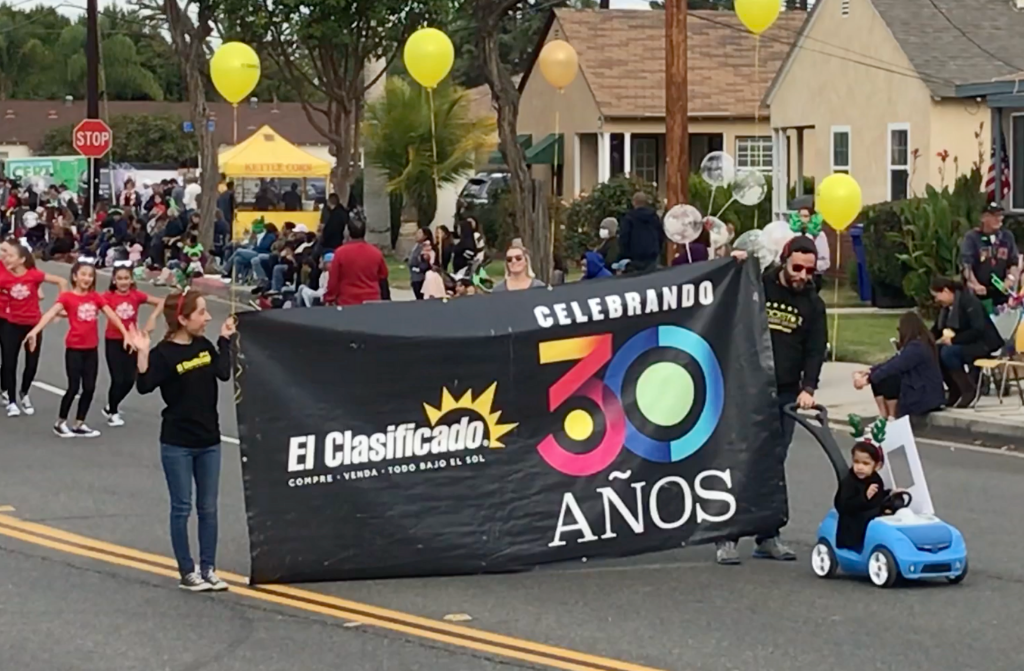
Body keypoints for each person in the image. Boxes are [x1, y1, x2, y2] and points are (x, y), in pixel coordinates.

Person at [717, 236, 827, 565]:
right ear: (784, 260)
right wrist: (732, 263)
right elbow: (728, 291)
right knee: (743, 459)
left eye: (809, 270)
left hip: (786, 391)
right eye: (797, 267)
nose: (803, 276)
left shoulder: (813, 304)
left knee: (773, 464)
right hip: (749, 387)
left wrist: (809, 387)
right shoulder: (759, 284)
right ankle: (727, 535)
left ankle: (768, 535)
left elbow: (815, 349)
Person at [127, 290, 235, 592]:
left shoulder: (204, 346)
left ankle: (209, 568)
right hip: (178, 442)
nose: (208, 318)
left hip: (209, 440)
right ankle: (188, 571)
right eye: (201, 313)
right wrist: (143, 353)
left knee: (209, 508)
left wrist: (225, 340)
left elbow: (223, 373)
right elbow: (145, 386)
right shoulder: (164, 354)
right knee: (182, 507)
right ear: (183, 319)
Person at [26, 261, 130, 438]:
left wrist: (126, 334)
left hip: (91, 349)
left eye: (90, 275)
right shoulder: (67, 297)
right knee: (74, 387)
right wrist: (34, 332)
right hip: (74, 349)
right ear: (75, 276)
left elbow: (112, 315)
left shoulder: (96, 297)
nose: (87, 279)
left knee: (89, 388)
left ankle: (79, 423)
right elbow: (51, 314)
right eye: (83, 274)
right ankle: (60, 422)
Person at [0, 240, 69, 416]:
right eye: (5, 256)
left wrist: (60, 307)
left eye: (11, 256)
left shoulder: (34, 275)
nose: (6, 259)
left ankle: (24, 393)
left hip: (33, 326)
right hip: (11, 324)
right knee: (9, 363)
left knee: (32, 364)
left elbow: (61, 281)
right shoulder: (4, 278)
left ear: (22, 259)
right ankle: (12, 401)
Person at [101, 265, 163, 427]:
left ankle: (111, 406)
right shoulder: (107, 297)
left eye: (126, 278)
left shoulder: (136, 296)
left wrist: (153, 318)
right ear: (114, 280)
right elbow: (91, 306)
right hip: (114, 340)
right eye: (119, 279)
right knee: (117, 378)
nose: (123, 282)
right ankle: (113, 412)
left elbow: (161, 302)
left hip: (133, 341)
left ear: (132, 280)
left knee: (130, 379)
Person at [852, 312, 944, 419]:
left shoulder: (917, 348)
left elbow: (897, 366)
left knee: (888, 377)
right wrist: (871, 371)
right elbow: (894, 361)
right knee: (880, 376)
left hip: (925, 396)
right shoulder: (918, 344)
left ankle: (892, 416)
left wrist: (868, 380)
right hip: (920, 389)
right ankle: (884, 416)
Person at [929, 276, 1003, 407]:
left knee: (948, 353)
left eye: (937, 296)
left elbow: (978, 329)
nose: (936, 300)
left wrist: (954, 340)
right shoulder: (946, 309)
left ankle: (968, 388)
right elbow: (937, 329)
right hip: (965, 343)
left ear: (946, 291)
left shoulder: (969, 302)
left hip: (983, 344)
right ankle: (954, 389)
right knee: (935, 351)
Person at [834, 441, 903, 552]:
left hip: (871, 512)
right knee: (871, 519)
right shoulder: (849, 482)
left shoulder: (875, 479)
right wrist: (864, 497)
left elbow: (878, 497)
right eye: (856, 462)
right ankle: (864, 546)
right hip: (854, 520)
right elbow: (843, 505)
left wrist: (890, 494)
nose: (860, 467)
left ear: (877, 466)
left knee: (893, 512)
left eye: (865, 464)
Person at [961, 202, 1021, 308]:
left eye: (1000, 215)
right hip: (979, 293)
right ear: (983, 218)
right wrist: (975, 284)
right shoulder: (972, 238)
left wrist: (1010, 279)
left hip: (1001, 292)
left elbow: (1014, 263)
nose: (999, 219)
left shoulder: (1007, 237)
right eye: (994, 216)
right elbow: (967, 265)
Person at [324, 219, 389, 306]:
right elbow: (383, 275)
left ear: (347, 233)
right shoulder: (376, 252)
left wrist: (329, 298)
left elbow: (333, 279)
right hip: (372, 300)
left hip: (347, 301)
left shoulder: (340, 253)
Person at [619, 192, 664, 274]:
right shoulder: (654, 217)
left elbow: (624, 238)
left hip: (634, 259)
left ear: (633, 202)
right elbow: (660, 235)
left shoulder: (629, 218)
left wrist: (624, 255)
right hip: (652, 256)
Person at [788, 207, 830, 292]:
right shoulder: (792, 233)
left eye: (806, 216)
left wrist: (810, 267)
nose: (803, 219)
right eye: (800, 216)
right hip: (794, 276)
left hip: (812, 277)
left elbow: (825, 261)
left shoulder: (819, 235)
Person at [407, 227, 431, 300]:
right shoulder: (416, 245)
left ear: (425, 236)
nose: (417, 235)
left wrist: (419, 269)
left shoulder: (425, 247)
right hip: (414, 277)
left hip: (420, 277)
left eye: (420, 233)